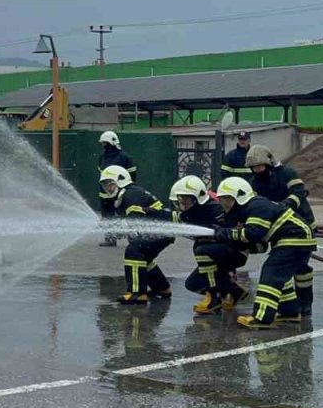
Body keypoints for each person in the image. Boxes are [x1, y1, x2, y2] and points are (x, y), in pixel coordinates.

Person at [212, 176, 317, 329]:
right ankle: (290, 312)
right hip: (293, 238)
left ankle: (262, 317)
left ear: (240, 196)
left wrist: (225, 233)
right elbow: (260, 245)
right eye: (222, 200)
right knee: (281, 277)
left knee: (272, 272)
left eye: (227, 199)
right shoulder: (250, 209)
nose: (224, 204)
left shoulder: (256, 206)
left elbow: (252, 233)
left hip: (295, 237)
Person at [245, 144, 316, 315]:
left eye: (259, 166)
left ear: (269, 163)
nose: (256, 170)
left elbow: (299, 193)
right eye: (253, 168)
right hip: (278, 229)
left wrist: (283, 205)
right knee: (283, 267)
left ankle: (305, 304)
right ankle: (290, 307)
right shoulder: (254, 183)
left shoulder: (287, 173)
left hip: (302, 224)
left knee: (300, 268)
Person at [171, 175, 248, 315]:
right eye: (181, 198)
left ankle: (214, 298)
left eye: (186, 198)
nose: (183, 202)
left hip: (235, 253)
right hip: (213, 255)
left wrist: (231, 269)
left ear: (196, 198)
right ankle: (234, 291)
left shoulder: (216, 210)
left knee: (202, 250)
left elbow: (231, 235)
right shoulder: (191, 212)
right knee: (192, 284)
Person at [99, 166, 173, 304]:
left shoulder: (130, 194)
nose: (107, 188)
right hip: (162, 231)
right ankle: (162, 288)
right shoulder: (128, 193)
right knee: (143, 257)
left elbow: (135, 220)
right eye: (105, 185)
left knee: (134, 251)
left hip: (159, 230)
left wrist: (118, 230)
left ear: (121, 180)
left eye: (110, 184)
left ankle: (137, 293)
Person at [97, 131, 137, 246]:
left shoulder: (125, 157)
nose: (104, 146)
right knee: (107, 216)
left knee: (125, 215)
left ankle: (131, 237)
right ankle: (110, 238)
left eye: (106, 143)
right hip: (105, 194)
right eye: (103, 144)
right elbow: (101, 174)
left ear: (112, 142)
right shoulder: (102, 157)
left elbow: (132, 176)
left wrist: (129, 190)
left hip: (121, 193)